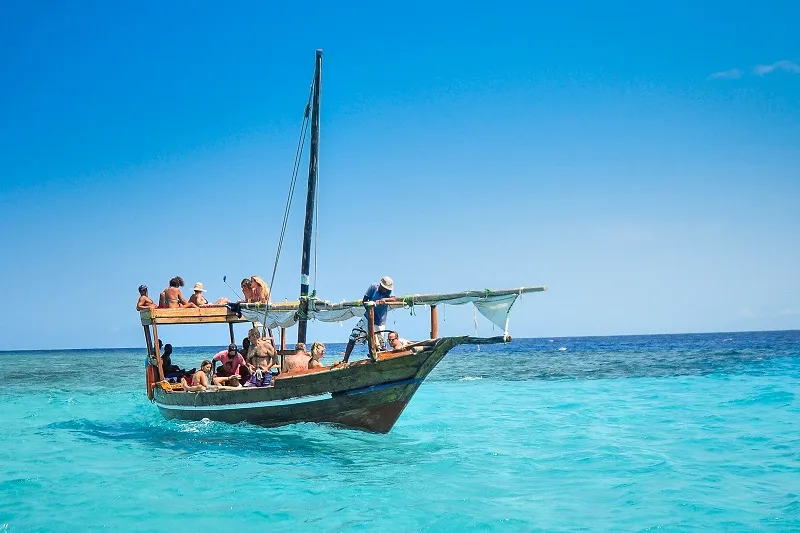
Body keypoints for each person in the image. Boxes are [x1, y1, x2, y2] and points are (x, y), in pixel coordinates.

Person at [342, 276, 400, 362]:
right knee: (353, 337)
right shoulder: (373, 287)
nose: (384, 290)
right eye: (383, 288)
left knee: (380, 346)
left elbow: (394, 299)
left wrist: (384, 299)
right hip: (367, 319)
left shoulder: (389, 292)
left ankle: (382, 362)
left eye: (386, 289)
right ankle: (345, 360)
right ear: (380, 284)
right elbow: (364, 301)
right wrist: (372, 307)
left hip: (380, 323)